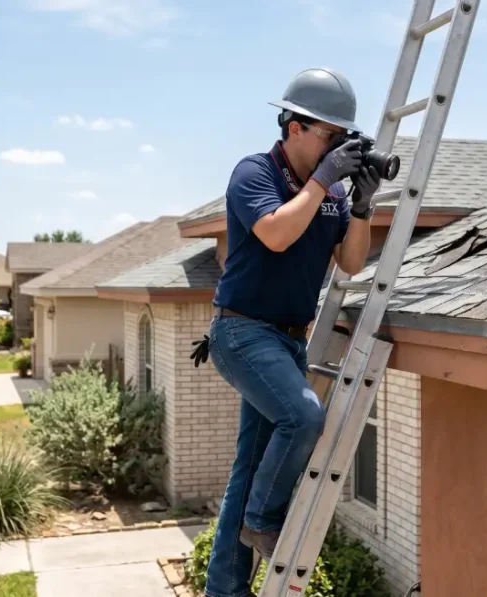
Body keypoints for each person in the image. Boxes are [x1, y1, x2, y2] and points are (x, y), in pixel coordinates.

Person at [199, 67, 381, 597]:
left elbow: (349, 262)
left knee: (248, 468)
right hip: (240, 333)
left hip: (288, 339)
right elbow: (277, 234)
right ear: (294, 126)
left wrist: (363, 204)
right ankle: (263, 521)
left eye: (342, 138)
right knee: (304, 417)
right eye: (330, 135)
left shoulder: (332, 194)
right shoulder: (253, 172)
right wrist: (324, 179)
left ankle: (224, 589)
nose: (337, 147)